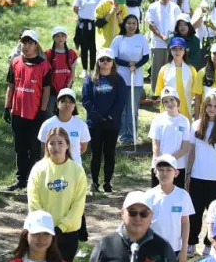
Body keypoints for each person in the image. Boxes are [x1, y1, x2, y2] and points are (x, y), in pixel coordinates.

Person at [28, 126, 87, 262]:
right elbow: (33, 201)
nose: (56, 147)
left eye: (60, 143)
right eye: (52, 143)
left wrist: (61, 227)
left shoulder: (77, 170)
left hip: (68, 232)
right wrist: (45, 226)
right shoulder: (38, 169)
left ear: (67, 145)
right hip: (43, 233)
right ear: (46, 146)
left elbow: (79, 204)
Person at [186, 93, 216, 256]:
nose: (212, 109)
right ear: (204, 106)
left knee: (213, 213)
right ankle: (191, 242)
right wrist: (188, 174)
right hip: (197, 177)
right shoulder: (196, 125)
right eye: (209, 105)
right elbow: (191, 152)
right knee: (195, 212)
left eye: (215, 106)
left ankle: (209, 243)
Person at [4, 29, 52, 190]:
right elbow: (11, 86)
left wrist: (43, 110)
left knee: (34, 148)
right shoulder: (15, 62)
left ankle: (34, 181)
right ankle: (21, 179)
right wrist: (7, 106)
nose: (26, 46)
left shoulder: (44, 66)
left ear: (36, 45)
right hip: (18, 112)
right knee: (20, 147)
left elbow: (46, 90)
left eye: (30, 43)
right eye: (24, 42)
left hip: (35, 113)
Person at [82, 48, 128, 192]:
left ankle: (107, 182)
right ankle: (94, 182)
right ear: (98, 62)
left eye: (108, 59)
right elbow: (86, 100)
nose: (105, 62)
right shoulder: (90, 79)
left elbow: (121, 101)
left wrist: (110, 116)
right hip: (95, 123)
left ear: (113, 62)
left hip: (112, 123)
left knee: (109, 153)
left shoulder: (119, 79)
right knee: (96, 153)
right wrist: (96, 115)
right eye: (102, 60)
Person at [146, 154, 195, 262]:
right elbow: (144, 223)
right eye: (161, 170)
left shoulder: (183, 195)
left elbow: (185, 223)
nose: (165, 173)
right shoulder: (149, 195)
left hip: (175, 249)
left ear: (176, 173)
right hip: (153, 249)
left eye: (169, 170)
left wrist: (184, 250)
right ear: (155, 172)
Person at [111, 14, 149, 145]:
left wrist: (136, 65)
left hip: (136, 79)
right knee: (122, 108)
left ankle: (132, 135)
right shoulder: (118, 39)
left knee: (133, 108)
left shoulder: (141, 38)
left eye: (134, 23)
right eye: (129, 23)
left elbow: (145, 57)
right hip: (121, 78)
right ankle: (122, 136)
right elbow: (114, 58)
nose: (131, 26)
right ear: (124, 24)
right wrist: (129, 64)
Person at [148, 87, 192, 187]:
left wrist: (170, 161)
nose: (170, 103)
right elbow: (155, 146)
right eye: (166, 101)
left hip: (178, 166)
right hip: (159, 165)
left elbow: (184, 148)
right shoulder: (158, 119)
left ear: (177, 100)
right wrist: (161, 162)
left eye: (172, 99)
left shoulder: (184, 121)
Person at [38, 87, 90, 164]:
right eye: (64, 101)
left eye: (70, 102)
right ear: (57, 104)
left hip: (74, 167)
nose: (67, 105)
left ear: (74, 106)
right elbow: (44, 148)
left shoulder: (81, 125)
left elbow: (83, 148)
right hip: (53, 167)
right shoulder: (47, 124)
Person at [146, 0, 181, 90]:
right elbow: (150, 24)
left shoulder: (175, 7)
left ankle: (169, 91)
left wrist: (172, 37)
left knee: (170, 68)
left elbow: (179, 24)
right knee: (157, 68)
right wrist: (161, 36)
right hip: (157, 43)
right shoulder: (153, 7)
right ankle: (156, 92)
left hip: (172, 43)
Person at [155, 37, 199, 120]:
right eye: (174, 49)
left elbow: (196, 93)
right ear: (170, 50)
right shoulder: (164, 69)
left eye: (180, 49)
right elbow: (160, 93)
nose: (177, 52)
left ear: (185, 51)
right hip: (168, 111)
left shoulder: (191, 70)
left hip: (186, 110)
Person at [73, 0, 105, 73]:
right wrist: (83, 16)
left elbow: (104, 9)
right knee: (84, 48)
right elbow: (75, 7)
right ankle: (84, 69)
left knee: (93, 47)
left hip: (95, 24)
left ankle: (92, 69)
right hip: (83, 25)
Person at [44, 27, 77, 112]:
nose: (60, 38)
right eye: (57, 36)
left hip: (66, 90)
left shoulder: (71, 53)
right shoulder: (48, 54)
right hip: (51, 92)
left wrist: (66, 88)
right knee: (50, 114)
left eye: (62, 36)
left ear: (66, 38)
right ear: (53, 38)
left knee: (65, 114)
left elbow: (72, 74)